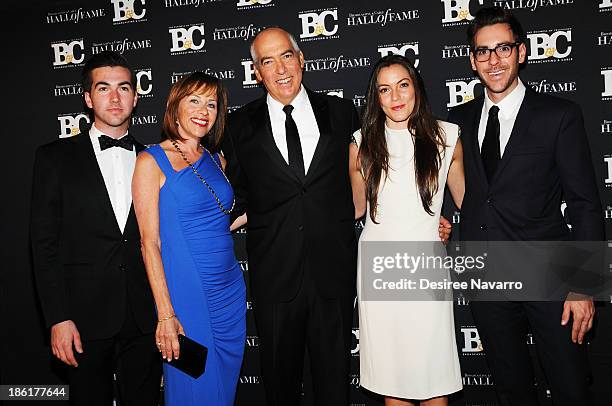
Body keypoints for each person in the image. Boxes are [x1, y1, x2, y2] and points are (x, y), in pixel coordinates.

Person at [223, 27, 453, 405]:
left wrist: (432, 217)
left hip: (334, 275)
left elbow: (384, 168)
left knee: (333, 388)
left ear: (301, 60)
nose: (280, 68)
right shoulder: (237, 126)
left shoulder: (342, 112)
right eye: (267, 61)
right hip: (275, 278)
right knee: (280, 387)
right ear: (256, 71)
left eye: (286, 56)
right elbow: (233, 194)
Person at [447, 7, 603, 406]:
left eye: (503, 48)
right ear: (472, 60)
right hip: (489, 281)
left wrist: (584, 285)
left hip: (551, 279)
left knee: (570, 387)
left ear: (522, 52)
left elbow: (585, 203)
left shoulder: (558, 116)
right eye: (483, 52)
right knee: (510, 389)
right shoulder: (456, 122)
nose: (493, 60)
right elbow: (458, 190)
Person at [30, 51, 161, 405]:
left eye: (124, 88)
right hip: (83, 317)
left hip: (144, 314)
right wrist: (57, 318)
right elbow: (44, 246)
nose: (115, 98)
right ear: (88, 98)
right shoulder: (53, 158)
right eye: (104, 88)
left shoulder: (156, 159)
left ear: (136, 96)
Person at [350, 55, 465, 406]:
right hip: (379, 270)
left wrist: (444, 225)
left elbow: (471, 205)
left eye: (403, 85)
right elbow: (354, 209)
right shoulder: (361, 143)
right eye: (385, 90)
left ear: (416, 88)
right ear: (376, 97)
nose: (396, 97)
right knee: (392, 380)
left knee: (434, 378)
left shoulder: (448, 136)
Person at [132, 72, 246, 405]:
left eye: (211, 103)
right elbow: (149, 243)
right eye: (194, 100)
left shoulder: (216, 159)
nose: (203, 110)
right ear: (175, 106)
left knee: (223, 389)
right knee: (194, 386)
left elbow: (218, 222)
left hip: (229, 291)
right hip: (187, 295)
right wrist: (166, 315)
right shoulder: (150, 161)